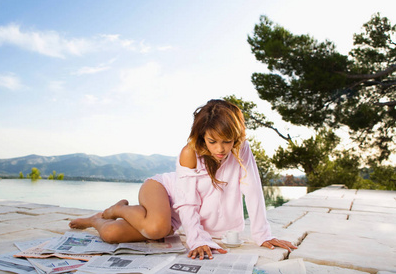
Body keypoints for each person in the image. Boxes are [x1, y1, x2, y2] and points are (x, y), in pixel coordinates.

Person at [69, 99, 297, 259]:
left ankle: (96, 220)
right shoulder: (190, 152)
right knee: (157, 228)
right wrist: (197, 239)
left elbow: (253, 190)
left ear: (235, 137)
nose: (220, 149)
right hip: (163, 190)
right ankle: (115, 210)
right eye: (213, 141)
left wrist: (263, 234)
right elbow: (187, 202)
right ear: (203, 136)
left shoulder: (241, 148)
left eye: (227, 141)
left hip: (176, 217)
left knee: (111, 234)